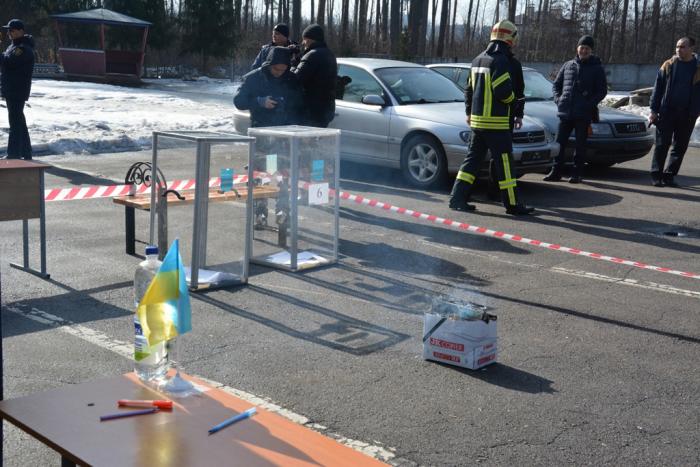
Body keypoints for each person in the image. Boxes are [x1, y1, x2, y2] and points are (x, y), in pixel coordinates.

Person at [449, 20, 534, 216]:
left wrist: (469, 113)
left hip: (478, 123)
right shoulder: (500, 61)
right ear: (510, 38)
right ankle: (512, 205)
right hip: (497, 124)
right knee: (505, 164)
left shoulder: (477, 59)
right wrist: (513, 103)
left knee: (471, 161)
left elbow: (468, 90)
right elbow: (502, 90)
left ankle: (457, 198)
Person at [544, 35, 607, 183]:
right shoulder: (568, 65)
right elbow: (556, 85)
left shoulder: (597, 68)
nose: (584, 50)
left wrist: (588, 104)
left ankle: (577, 173)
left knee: (580, 145)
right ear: (577, 48)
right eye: (582, 47)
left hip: (583, 114)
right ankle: (556, 172)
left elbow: (602, 91)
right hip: (565, 112)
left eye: (587, 48)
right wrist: (558, 100)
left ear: (591, 51)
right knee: (559, 143)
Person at [648, 36, 700, 187]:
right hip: (667, 112)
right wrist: (653, 110)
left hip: (688, 114)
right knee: (662, 144)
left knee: (680, 147)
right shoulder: (668, 65)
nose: (678, 49)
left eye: (682, 47)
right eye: (677, 46)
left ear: (692, 48)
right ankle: (656, 175)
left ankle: (669, 176)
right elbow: (657, 89)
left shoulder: (698, 68)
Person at [234, 46, 303, 128]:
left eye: (283, 70)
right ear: (269, 64)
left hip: (287, 128)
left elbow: (301, 104)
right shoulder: (253, 78)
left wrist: (286, 103)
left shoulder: (292, 79)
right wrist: (259, 101)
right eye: (276, 69)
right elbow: (238, 101)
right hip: (261, 127)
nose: (279, 73)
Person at [0, 19, 35, 160]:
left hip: (17, 90)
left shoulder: (23, 48)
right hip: (12, 88)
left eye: (12, 30)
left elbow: (9, 62)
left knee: (15, 122)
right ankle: (26, 152)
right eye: (8, 30)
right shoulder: (13, 46)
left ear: (21, 31)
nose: (9, 32)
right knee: (19, 121)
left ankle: (14, 153)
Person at [292, 24, 337, 128]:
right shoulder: (330, 54)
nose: (303, 43)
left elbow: (296, 79)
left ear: (309, 39)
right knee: (317, 137)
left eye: (304, 39)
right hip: (326, 109)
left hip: (310, 111)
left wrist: (293, 63)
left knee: (306, 137)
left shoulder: (312, 55)